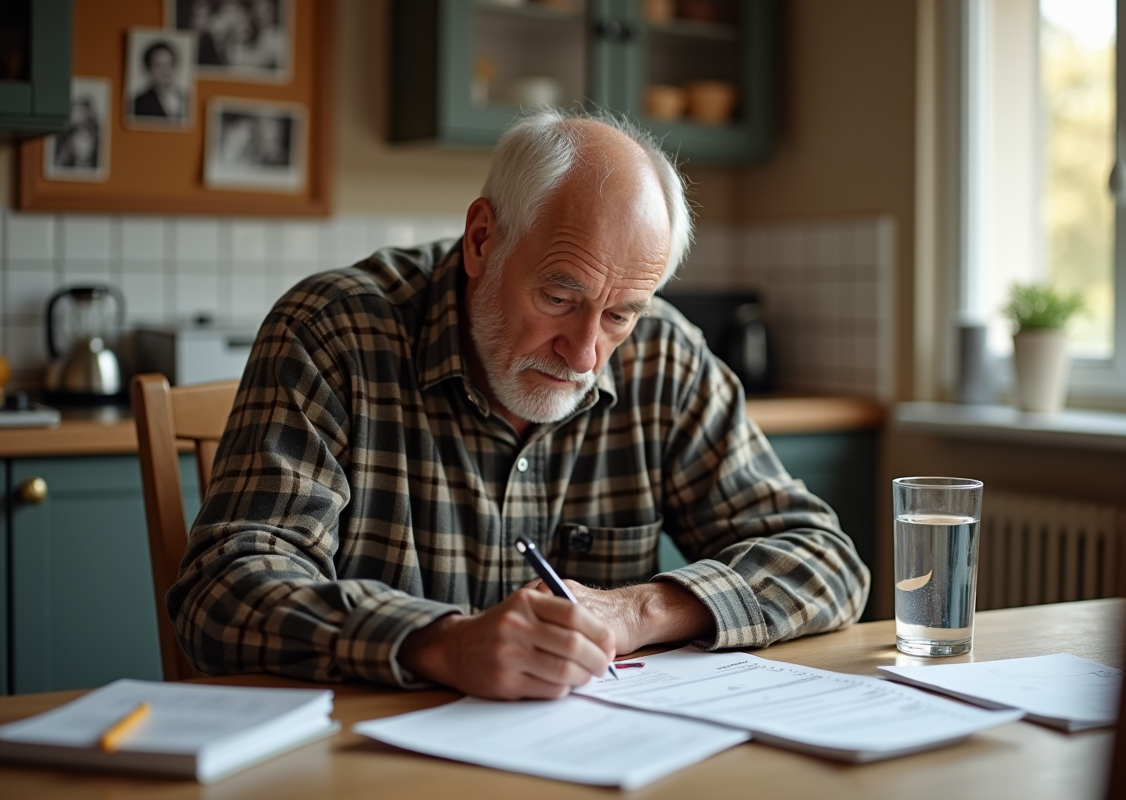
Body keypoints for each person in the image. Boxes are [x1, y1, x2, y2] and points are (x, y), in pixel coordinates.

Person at [168, 109, 870, 700]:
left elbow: (826, 560)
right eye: (559, 298)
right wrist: (438, 643)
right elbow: (224, 592)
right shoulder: (334, 332)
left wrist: (637, 610)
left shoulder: (664, 356)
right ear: (482, 240)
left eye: (621, 312)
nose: (586, 352)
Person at [132, 41, 187, 121]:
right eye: (158, 65)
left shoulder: (185, 99)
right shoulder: (139, 103)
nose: (165, 70)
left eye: (169, 64)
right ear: (148, 69)